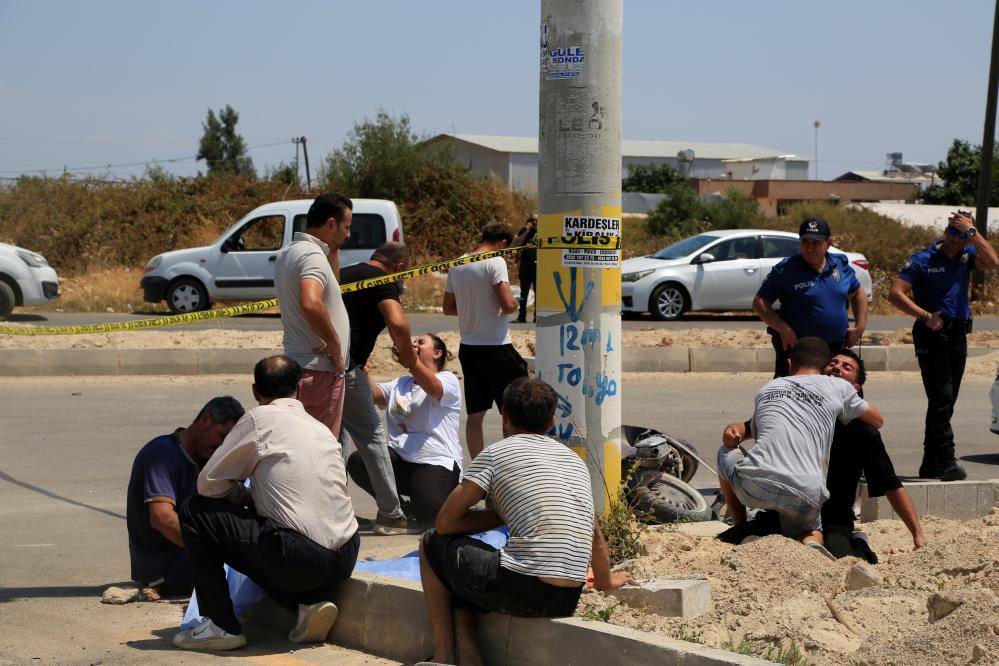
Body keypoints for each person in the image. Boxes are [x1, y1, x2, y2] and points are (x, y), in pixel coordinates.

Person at [418, 377, 635, 665]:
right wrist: (606, 580)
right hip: (566, 597)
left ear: (505, 416)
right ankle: (470, 656)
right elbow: (594, 534)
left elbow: (445, 523)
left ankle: (444, 656)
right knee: (470, 565)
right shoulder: (574, 461)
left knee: (433, 543)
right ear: (551, 422)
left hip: (522, 589)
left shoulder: (494, 454)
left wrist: (497, 516)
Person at [173, 356, 359, 651]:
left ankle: (220, 625)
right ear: (299, 388)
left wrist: (243, 497)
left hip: (298, 556)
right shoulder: (320, 427)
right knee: (271, 531)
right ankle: (306, 604)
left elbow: (208, 484)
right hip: (345, 555)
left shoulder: (259, 419)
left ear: (255, 390)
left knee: (196, 512)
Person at [721, 349, 926, 560]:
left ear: (855, 389)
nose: (836, 367)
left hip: (833, 520)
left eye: (847, 367)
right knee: (726, 542)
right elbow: (745, 428)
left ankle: (859, 540)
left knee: (842, 559)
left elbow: (890, 484)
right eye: (832, 363)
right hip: (784, 511)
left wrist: (918, 535)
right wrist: (731, 430)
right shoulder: (797, 412)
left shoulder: (861, 432)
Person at [888, 210, 999, 481]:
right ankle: (947, 460)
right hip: (932, 334)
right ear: (945, 230)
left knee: (945, 401)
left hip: (958, 334)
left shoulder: (967, 256)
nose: (954, 238)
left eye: (960, 234)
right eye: (952, 231)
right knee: (941, 398)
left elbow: (994, 263)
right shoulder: (923, 259)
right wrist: (925, 316)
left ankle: (930, 462)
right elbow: (895, 294)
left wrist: (973, 233)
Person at [125, 397, 244, 596]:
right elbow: (161, 518)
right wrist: (210, 550)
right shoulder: (162, 454)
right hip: (166, 567)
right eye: (221, 436)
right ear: (205, 419)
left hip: (187, 558)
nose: (222, 446)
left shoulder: (205, 460)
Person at [340, 241, 416, 535]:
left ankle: (338, 511)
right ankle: (391, 514)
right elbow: (397, 324)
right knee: (372, 438)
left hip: (325, 367)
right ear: (398, 267)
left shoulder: (343, 273)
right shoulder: (384, 281)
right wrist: (408, 356)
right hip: (348, 371)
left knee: (335, 440)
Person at [347, 334, 462, 527]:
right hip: (400, 457)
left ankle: (441, 497)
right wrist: (362, 366)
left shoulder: (447, 379)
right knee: (359, 461)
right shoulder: (401, 383)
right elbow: (374, 395)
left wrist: (411, 362)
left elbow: (433, 388)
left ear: (437, 353)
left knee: (428, 515)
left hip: (435, 460)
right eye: (414, 342)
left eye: (421, 343)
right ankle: (398, 509)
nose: (415, 344)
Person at [443, 221, 527, 458]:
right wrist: (516, 303)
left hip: (469, 348)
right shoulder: (496, 261)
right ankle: (510, 463)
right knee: (512, 410)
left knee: (475, 415)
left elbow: (448, 308)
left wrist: (475, 309)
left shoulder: (459, 262)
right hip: (497, 347)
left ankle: (479, 468)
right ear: (502, 243)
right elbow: (508, 305)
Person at [274, 193, 353, 436]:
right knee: (321, 449)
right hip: (319, 371)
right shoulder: (312, 256)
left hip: (300, 367)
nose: (348, 234)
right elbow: (310, 302)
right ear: (331, 224)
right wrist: (335, 343)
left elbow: (332, 292)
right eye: (346, 227)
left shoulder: (290, 252)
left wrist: (333, 250)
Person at [753, 218, 868, 378]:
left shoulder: (839, 266)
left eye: (816, 242)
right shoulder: (786, 269)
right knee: (793, 397)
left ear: (828, 243)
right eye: (805, 242)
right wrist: (782, 328)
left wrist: (860, 327)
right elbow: (760, 303)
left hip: (834, 349)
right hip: (799, 349)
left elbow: (857, 293)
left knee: (836, 397)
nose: (809, 247)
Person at [513, 212, 538, 323]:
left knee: (539, 292)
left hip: (537, 265)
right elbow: (516, 243)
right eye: (532, 220)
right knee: (524, 292)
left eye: (536, 220)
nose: (534, 222)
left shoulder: (542, 232)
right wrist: (526, 231)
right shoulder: (524, 231)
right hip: (525, 265)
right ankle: (521, 316)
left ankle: (537, 316)